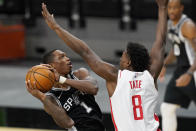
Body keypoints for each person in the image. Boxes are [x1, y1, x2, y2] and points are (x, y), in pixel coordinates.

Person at [41, 0, 168, 130]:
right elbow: (161, 41)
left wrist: (57, 27)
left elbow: (85, 51)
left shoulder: (115, 77)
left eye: (123, 56)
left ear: (128, 63)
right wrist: (163, 7)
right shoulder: (150, 76)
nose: (120, 60)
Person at [25, 49, 105, 131]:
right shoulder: (50, 99)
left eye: (66, 56)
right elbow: (67, 123)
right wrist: (41, 97)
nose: (67, 58)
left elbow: (93, 88)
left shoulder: (80, 74)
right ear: (51, 66)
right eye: (62, 57)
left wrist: (61, 79)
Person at [159, 0, 196, 131]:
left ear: (181, 8)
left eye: (175, 8)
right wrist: (163, 64)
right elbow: (176, 50)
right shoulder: (170, 24)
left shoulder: (188, 26)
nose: (172, 11)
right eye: (170, 8)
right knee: (167, 107)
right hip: (181, 71)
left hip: (192, 71)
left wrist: (190, 74)